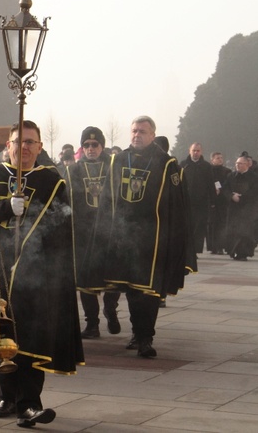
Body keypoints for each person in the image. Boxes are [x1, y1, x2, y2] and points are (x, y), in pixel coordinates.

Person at [0, 120, 84, 428]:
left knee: (30, 337)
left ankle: (29, 405)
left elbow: (62, 226)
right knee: (0, 335)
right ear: (7, 146)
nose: (23, 147)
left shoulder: (53, 181)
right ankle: (7, 396)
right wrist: (2, 206)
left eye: (30, 142)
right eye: (17, 142)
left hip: (35, 273)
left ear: (39, 148)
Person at [84, 116, 193, 359]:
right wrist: (105, 233)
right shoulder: (119, 159)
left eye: (142, 131)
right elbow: (107, 200)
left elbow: (177, 205)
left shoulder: (167, 163)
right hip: (124, 237)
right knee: (133, 289)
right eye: (134, 130)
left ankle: (146, 338)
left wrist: (175, 240)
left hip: (154, 239)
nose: (137, 135)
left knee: (150, 291)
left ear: (153, 134)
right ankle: (137, 332)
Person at [66, 127, 121, 339]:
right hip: (84, 234)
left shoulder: (114, 168)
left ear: (102, 146)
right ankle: (92, 324)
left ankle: (110, 308)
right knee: (86, 280)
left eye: (95, 145)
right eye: (86, 145)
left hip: (110, 232)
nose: (91, 149)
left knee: (112, 277)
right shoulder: (73, 171)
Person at [180, 143, 215, 257]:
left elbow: (210, 184)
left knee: (199, 226)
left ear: (201, 152)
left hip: (201, 202)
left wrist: (213, 201)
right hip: (186, 202)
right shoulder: (183, 165)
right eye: (194, 150)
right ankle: (186, 249)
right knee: (186, 226)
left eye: (198, 151)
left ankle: (194, 250)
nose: (196, 153)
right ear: (189, 151)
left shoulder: (206, 166)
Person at [222, 156, 258, 261]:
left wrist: (241, 198)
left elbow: (255, 192)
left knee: (244, 232)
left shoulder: (255, 177)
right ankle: (233, 251)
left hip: (247, 209)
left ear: (247, 164)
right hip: (233, 208)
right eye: (237, 163)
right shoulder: (231, 176)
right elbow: (225, 189)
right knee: (233, 231)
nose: (238, 165)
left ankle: (243, 253)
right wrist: (231, 196)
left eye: (241, 163)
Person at [207, 152, 232, 254]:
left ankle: (221, 246)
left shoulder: (227, 171)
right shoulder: (208, 171)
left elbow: (229, 185)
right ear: (212, 160)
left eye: (221, 158)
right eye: (217, 158)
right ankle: (213, 247)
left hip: (223, 201)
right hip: (212, 201)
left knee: (222, 224)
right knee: (212, 224)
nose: (220, 159)